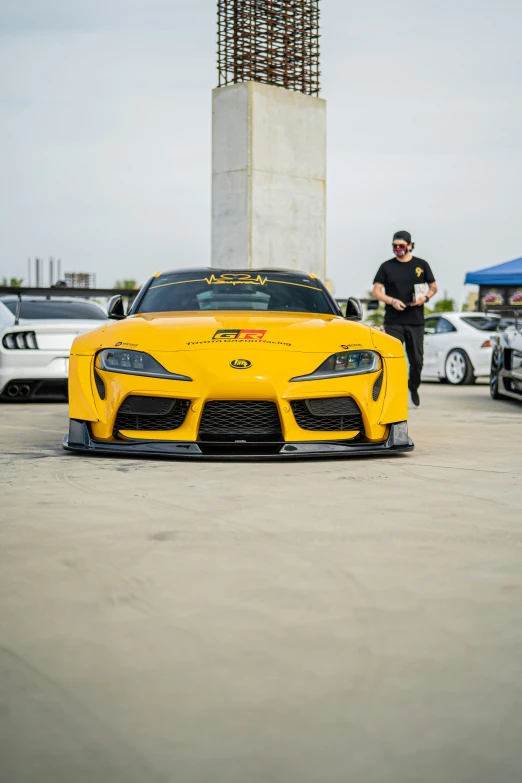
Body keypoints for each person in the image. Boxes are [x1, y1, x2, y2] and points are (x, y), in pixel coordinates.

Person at [372, 231, 438, 407]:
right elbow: (376, 291)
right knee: (392, 357)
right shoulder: (386, 267)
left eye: (401, 245)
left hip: (415, 320)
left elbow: (433, 286)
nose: (398, 249)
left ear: (410, 245)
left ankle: (413, 386)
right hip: (394, 320)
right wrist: (392, 301)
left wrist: (425, 298)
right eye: (394, 246)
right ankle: (393, 393)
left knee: (417, 361)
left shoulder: (421, 265)